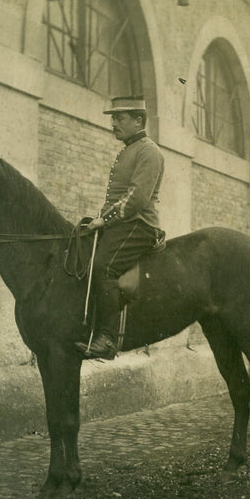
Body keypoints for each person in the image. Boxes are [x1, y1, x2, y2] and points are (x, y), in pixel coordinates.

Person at [75, 96, 165, 360]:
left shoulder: (149, 151)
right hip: (123, 223)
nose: (113, 123)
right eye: (113, 118)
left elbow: (137, 197)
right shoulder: (128, 149)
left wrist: (105, 219)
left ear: (138, 120)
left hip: (140, 225)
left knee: (105, 266)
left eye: (120, 118)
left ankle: (107, 339)